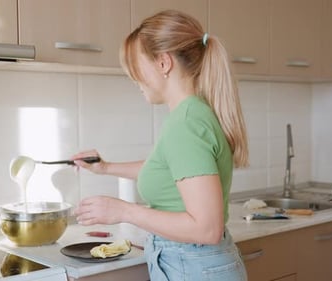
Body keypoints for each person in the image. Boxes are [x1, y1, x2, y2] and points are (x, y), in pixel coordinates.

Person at [72, 9, 249, 281]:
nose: (134, 79)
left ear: (163, 63)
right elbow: (172, 170)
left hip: (193, 265)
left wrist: (123, 211)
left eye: (136, 67)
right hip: (194, 264)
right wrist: (105, 168)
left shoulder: (186, 124)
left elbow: (206, 229)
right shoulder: (192, 114)